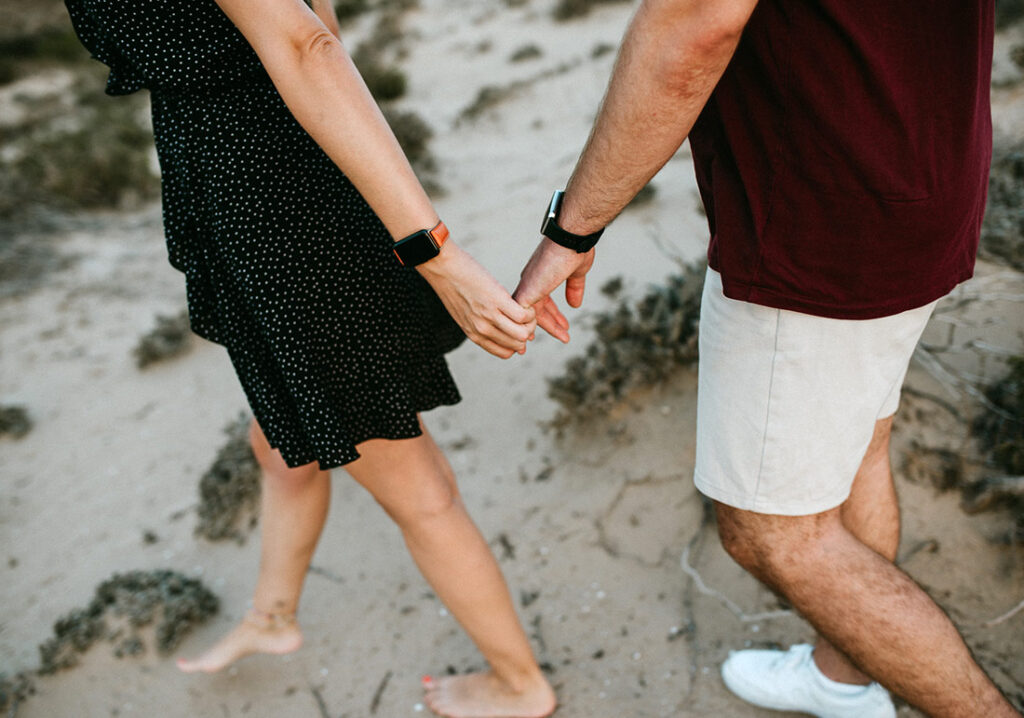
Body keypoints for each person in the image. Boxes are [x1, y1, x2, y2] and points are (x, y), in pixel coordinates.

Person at [514, 1, 1021, 717]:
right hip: (926, 165)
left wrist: (571, 230)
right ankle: (843, 681)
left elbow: (692, 27)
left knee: (775, 536)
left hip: (820, 218)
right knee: (858, 452)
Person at [63, 1, 555, 716]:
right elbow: (315, 19)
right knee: (281, 437)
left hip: (274, 206)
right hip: (271, 178)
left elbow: (306, 41)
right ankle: (273, 617)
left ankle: (520, 685)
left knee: (412, 481)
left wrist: (436, 255)